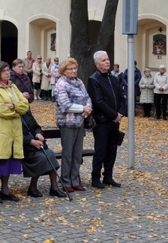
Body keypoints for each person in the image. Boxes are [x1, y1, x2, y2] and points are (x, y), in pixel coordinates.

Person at [0, 61, 29, 203]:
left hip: (13, 130)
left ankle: (5, 189)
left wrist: (14, 106)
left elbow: (25, 106)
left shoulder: (13, 87)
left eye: (8, 70)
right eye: (4, 71)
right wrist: (16, 111)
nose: (7, 73)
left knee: (10, 160)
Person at [86, 51, 127, 189]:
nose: (107, 62)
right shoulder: (94, 79)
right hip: (102, 121)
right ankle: (95, 177)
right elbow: (98, 102)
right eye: (104, 60)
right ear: (97, 64)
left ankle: (108, 176)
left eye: (108, 59)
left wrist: (120, 113)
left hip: (114, 121)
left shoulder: (114, 78)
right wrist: (114, 115)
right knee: (101, 150)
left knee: (112, 149)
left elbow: (122, 97)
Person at [53, 57, 92, 193]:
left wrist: (88, 108)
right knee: (68, 154)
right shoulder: (61, 83)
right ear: (64, 71)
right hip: (67, 123)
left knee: (77, 154)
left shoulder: (79, 82)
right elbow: (65, 105)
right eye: (71, 69)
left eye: (75, 68)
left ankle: (75, 180)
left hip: (80, 122)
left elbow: (87, 97)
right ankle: (65, 181)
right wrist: (83, 109)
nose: (74, 71)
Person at [22, 106, 66, 198]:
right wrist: (31, 141)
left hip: (36, 145)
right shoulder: (12, 116)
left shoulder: (26, 111)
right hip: (24, 148)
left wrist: (38, 133)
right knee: (41, 158)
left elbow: (36, 126)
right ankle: (32, 187)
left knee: (50, 154)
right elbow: (16, 136)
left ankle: (54, 188)